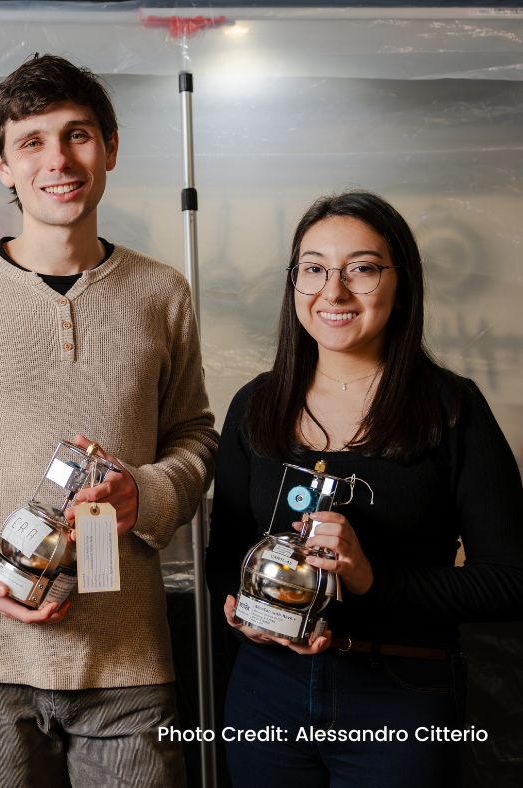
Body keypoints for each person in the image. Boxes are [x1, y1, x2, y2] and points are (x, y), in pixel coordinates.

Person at [0, 54, 218, 788]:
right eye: (31, 141)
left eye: (78, 135)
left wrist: (147, 492)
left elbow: (195, 435)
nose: (58, 160)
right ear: (0, 163)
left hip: (128, 658)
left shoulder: (162, 292)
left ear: (112, 147)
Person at [207, 191, 523, 787]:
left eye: (362, 268)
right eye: (314, 268)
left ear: (401, 280)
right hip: (265, 694)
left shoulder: (451, 409)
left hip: (400, 696)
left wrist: (372, 581)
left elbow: (511, 579)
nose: (334, 291)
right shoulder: (256, 405)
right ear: (294, 282)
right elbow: (225, 556)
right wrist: (240, 609)